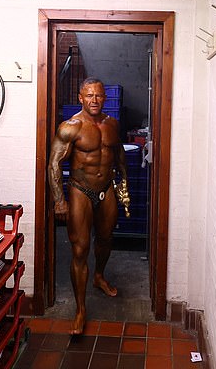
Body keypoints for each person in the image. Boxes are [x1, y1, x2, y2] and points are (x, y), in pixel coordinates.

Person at [48, 77, 130, 335]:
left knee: (106, 239)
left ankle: (99, 276)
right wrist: (59, 200)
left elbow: (118, 155)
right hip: (80, 190)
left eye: (99, 95)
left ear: (104, 98)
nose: (94, 100)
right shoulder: (70, 127)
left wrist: (124, 184)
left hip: (106, 188)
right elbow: (53, 164)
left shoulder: (112, 124)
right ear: (80, 98)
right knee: (80, 248)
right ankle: (80, 310)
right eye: (89, 96)